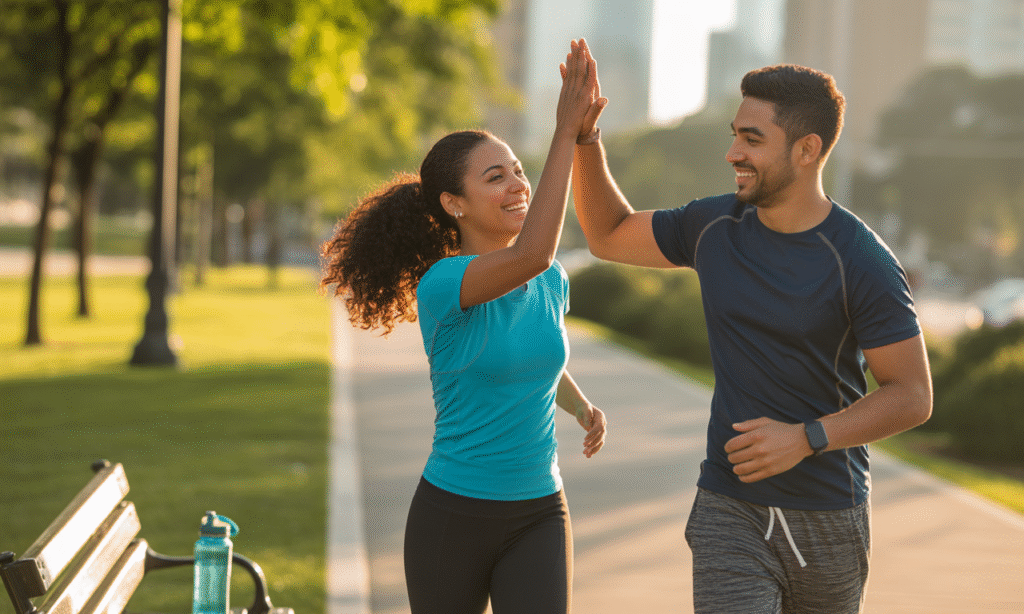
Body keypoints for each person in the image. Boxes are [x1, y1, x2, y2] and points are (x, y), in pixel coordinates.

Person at [570, 63, 932, 613]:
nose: (733, 153)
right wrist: (585, 139)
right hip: (728, 505)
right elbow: (608, 233)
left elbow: (912, 394)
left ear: (807, 150)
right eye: (735, 135)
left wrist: (805, 437)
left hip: (828, 516)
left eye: (752, 139)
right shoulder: (715, 226)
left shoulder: (860, 259)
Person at [320, 39, 609, 614]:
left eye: (520, 172)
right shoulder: (445, 284)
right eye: (496, 177)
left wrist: (580, 406)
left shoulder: (550, 282)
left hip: (540, 509)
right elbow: (531, 253)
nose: (518, 185)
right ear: (454, 204)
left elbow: (536, 357)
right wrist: (562, 136)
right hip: (454, 515)